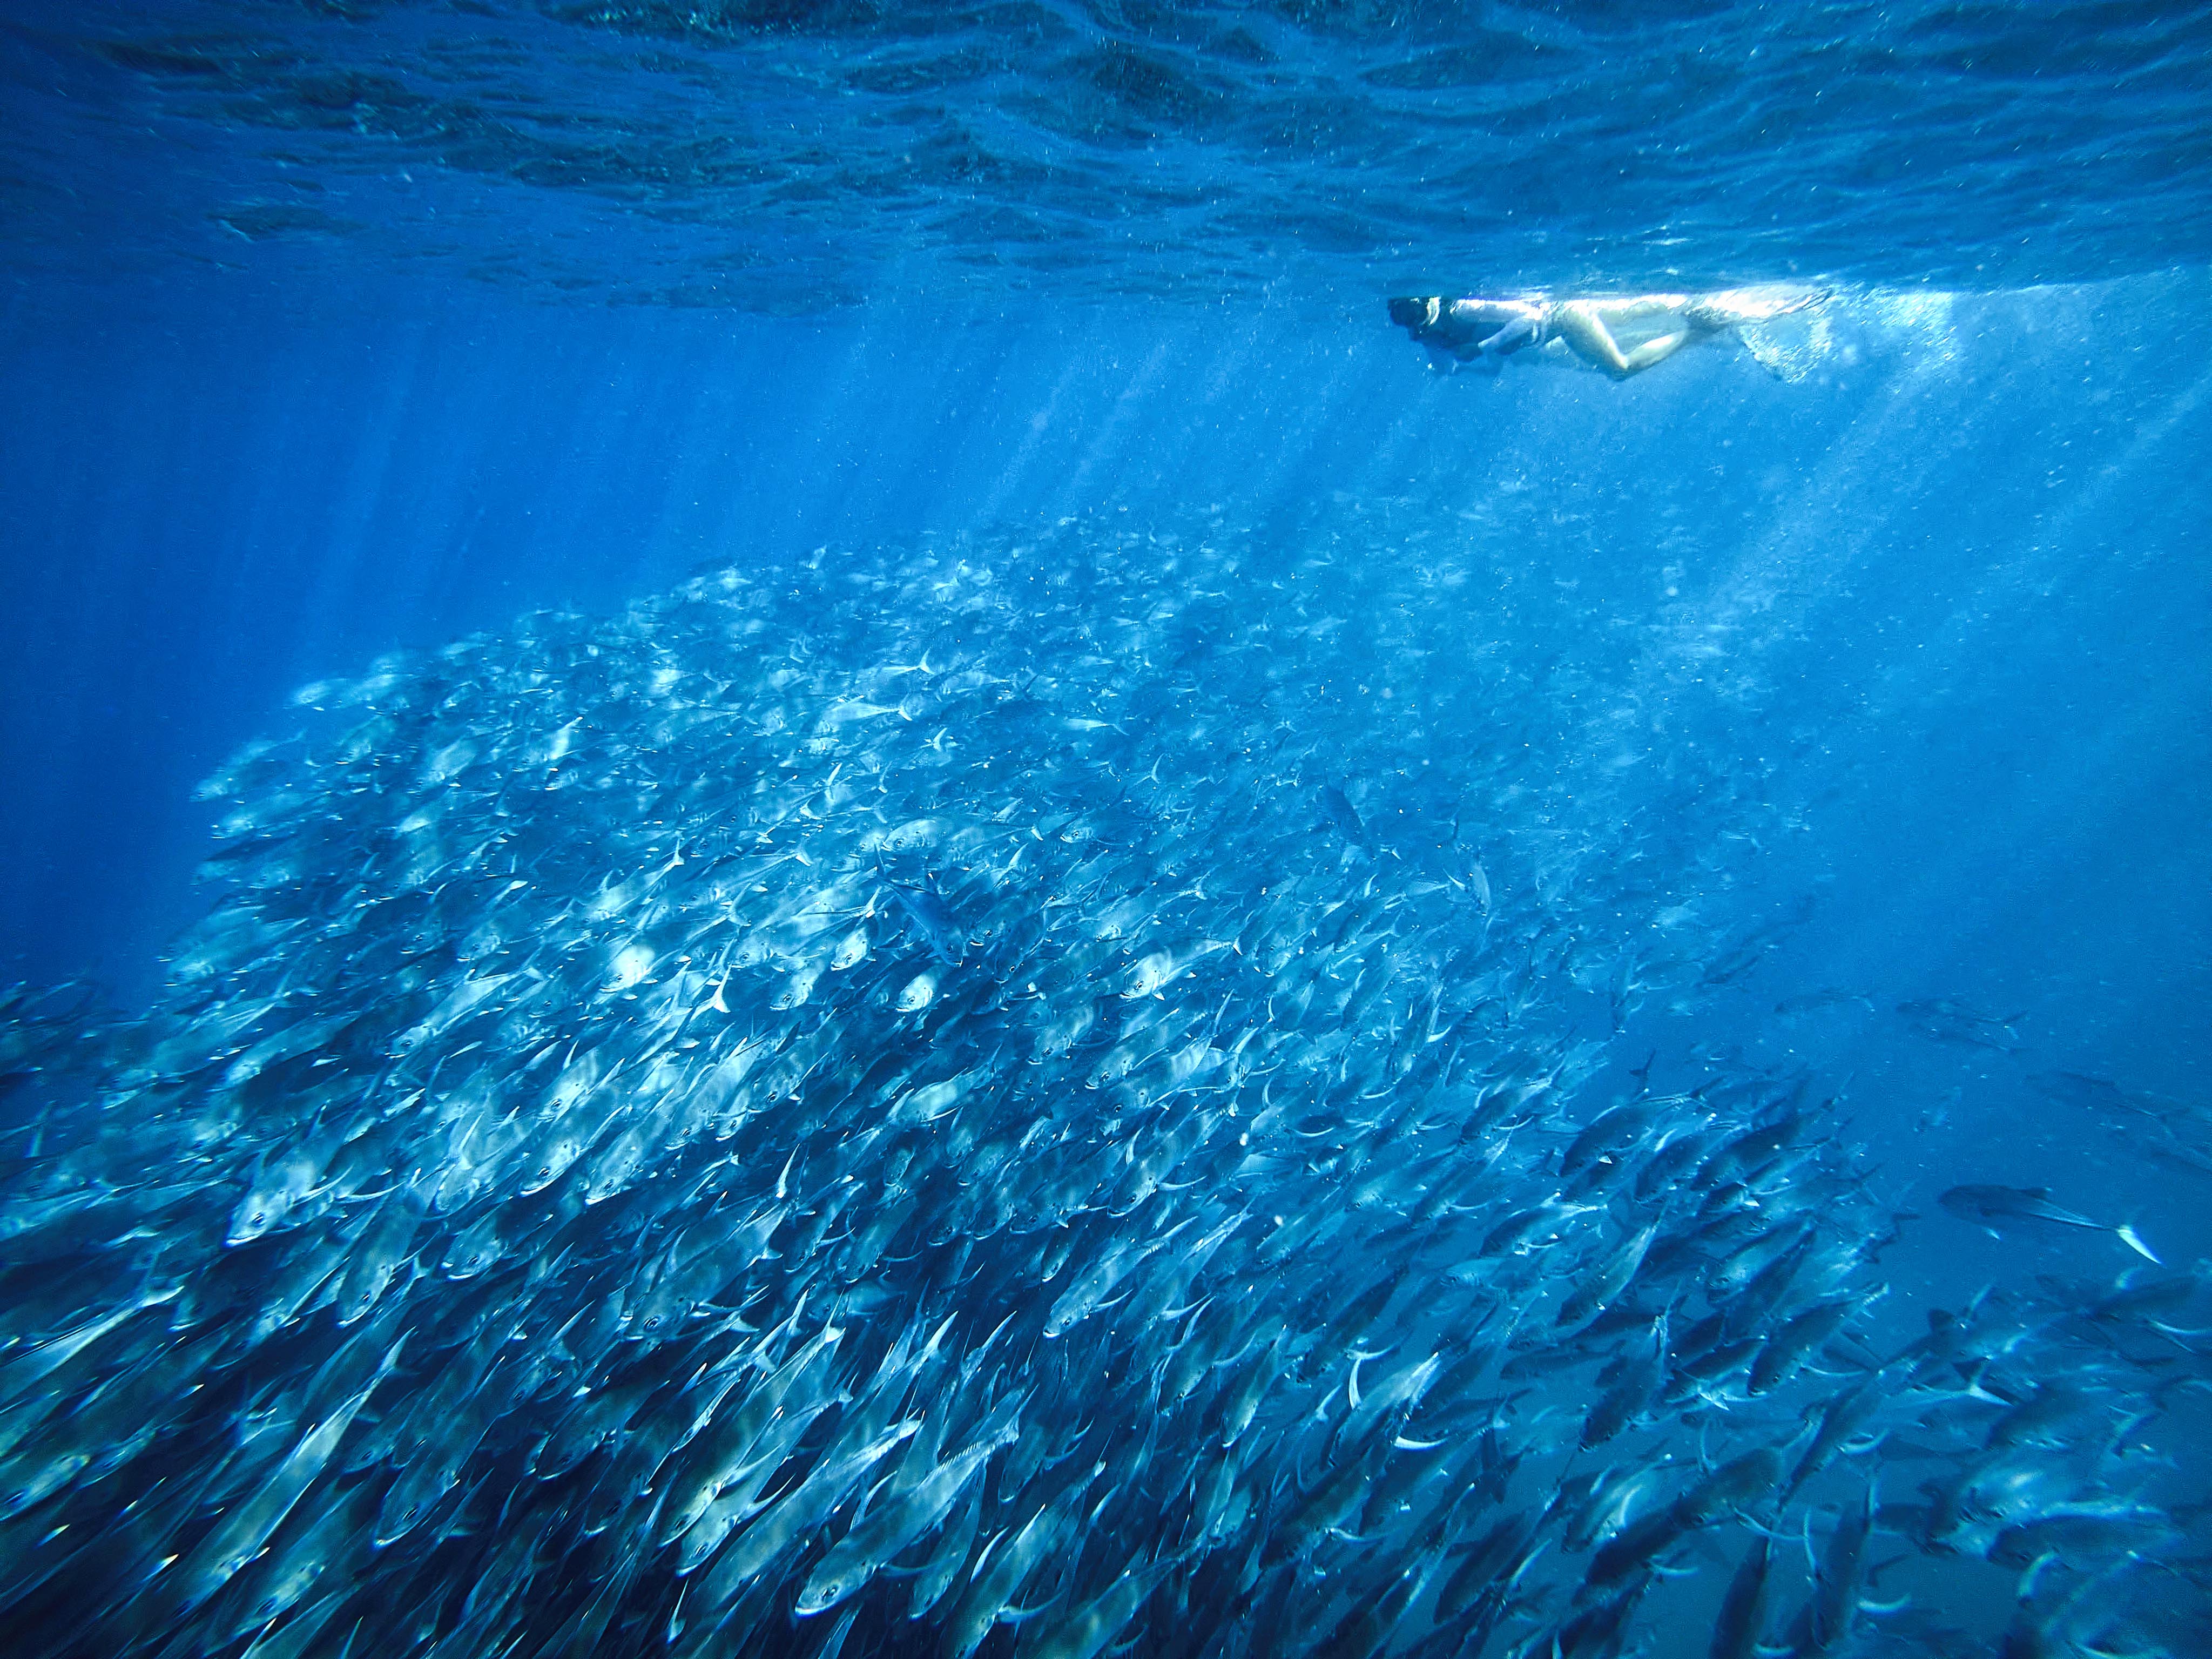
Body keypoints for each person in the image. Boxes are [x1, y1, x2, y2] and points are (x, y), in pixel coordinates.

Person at [1387, 287, 1819, 378]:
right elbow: (1485, 371)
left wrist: (1484, 345)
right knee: (1633, 335)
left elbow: (1529, 315)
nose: (1423, 321)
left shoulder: (1463, 307)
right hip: (1563, 330)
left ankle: (1707, 324)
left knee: (1620, 368)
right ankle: (1717, 325)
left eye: (1423, 312)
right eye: (1415, 322)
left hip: (1563, 316)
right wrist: (1461, 369)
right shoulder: (1429, 336)